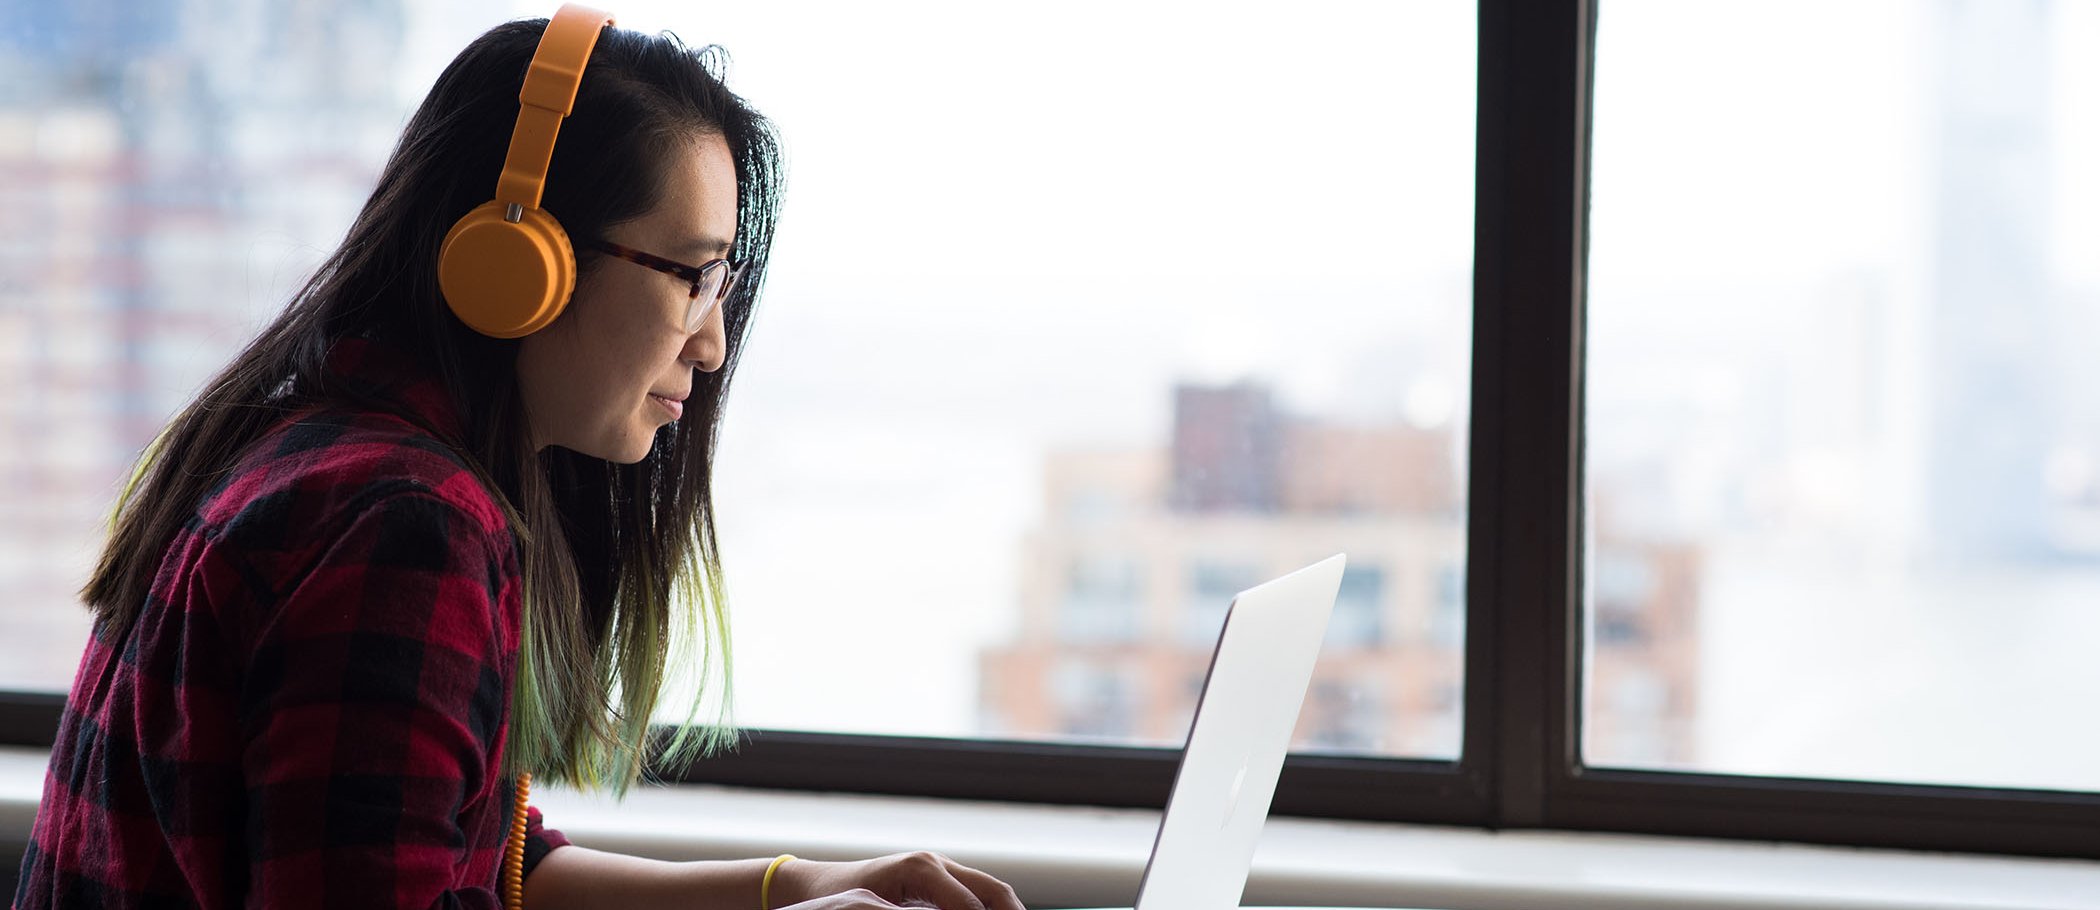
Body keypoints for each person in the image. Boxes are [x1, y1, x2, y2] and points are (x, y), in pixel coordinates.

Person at [11, 6, 1025, 910]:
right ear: (522, 257)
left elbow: (476, 861)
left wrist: (788, 886)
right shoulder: (402, 523)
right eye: (694, 276)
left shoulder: (314, 451)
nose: (711, 344)